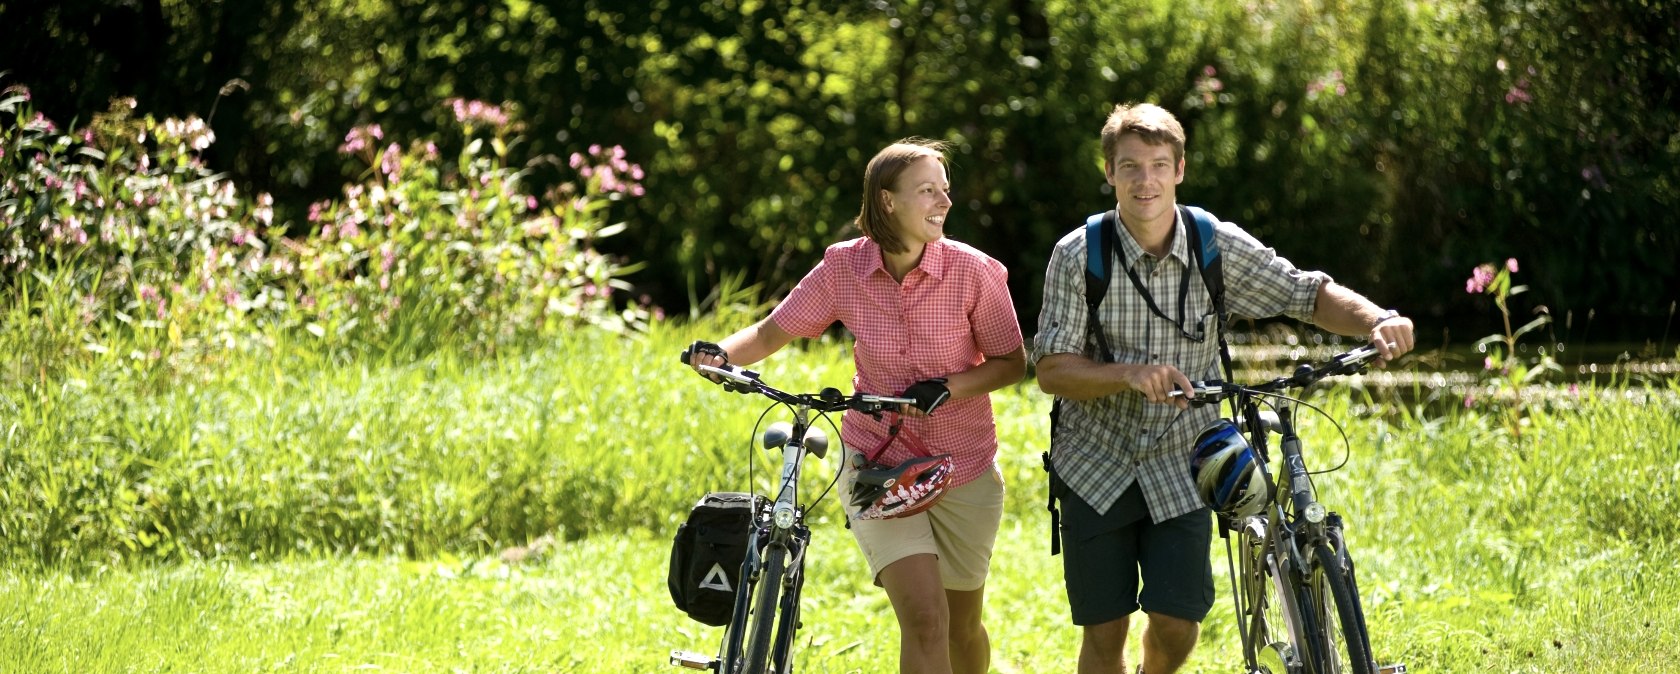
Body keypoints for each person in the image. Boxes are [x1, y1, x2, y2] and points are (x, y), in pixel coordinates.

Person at [1032, 103, 1416, 674]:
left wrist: (1376, 318)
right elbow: (1051, 370)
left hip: (1186, 460)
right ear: (1108, 172)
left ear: (1180, 169)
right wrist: (1130, 375)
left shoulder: (1215, 245)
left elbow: (1304, 293)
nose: (1146, 181)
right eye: (1130, 166)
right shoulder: (1078, 255)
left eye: (1159, 165)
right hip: (1094, 462)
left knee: (1178, 624)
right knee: (1104, 631)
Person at [685, 138, 1026, 674]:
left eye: (945, 190)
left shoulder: (974, 272)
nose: (944, 202)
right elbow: (775, 330)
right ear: (887, 200)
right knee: (926, 621)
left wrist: (948, 387)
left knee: (962, 627)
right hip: (876, 466)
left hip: (964, 469)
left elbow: (1011, 362)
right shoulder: (845, 268)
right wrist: (719, 354)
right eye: (927, 190)